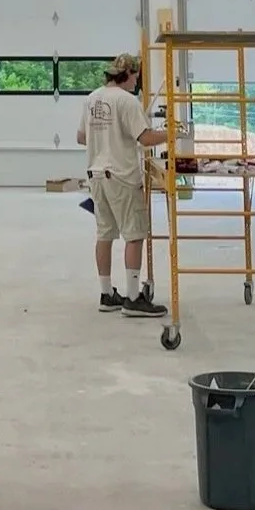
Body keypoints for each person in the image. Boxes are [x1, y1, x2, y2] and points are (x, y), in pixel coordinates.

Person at [77, 53, 168, 317]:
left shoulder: (92, 98)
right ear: (128, 74)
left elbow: (82, 136)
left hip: (96, 174)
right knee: (135, 234)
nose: (136, 83)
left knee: (105, 234)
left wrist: (105, 137)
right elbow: (146, 138)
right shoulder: (127, 101)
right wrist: (173, 133)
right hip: (122, 176)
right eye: (136, 77)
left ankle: (106, 294)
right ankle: (133, 297)